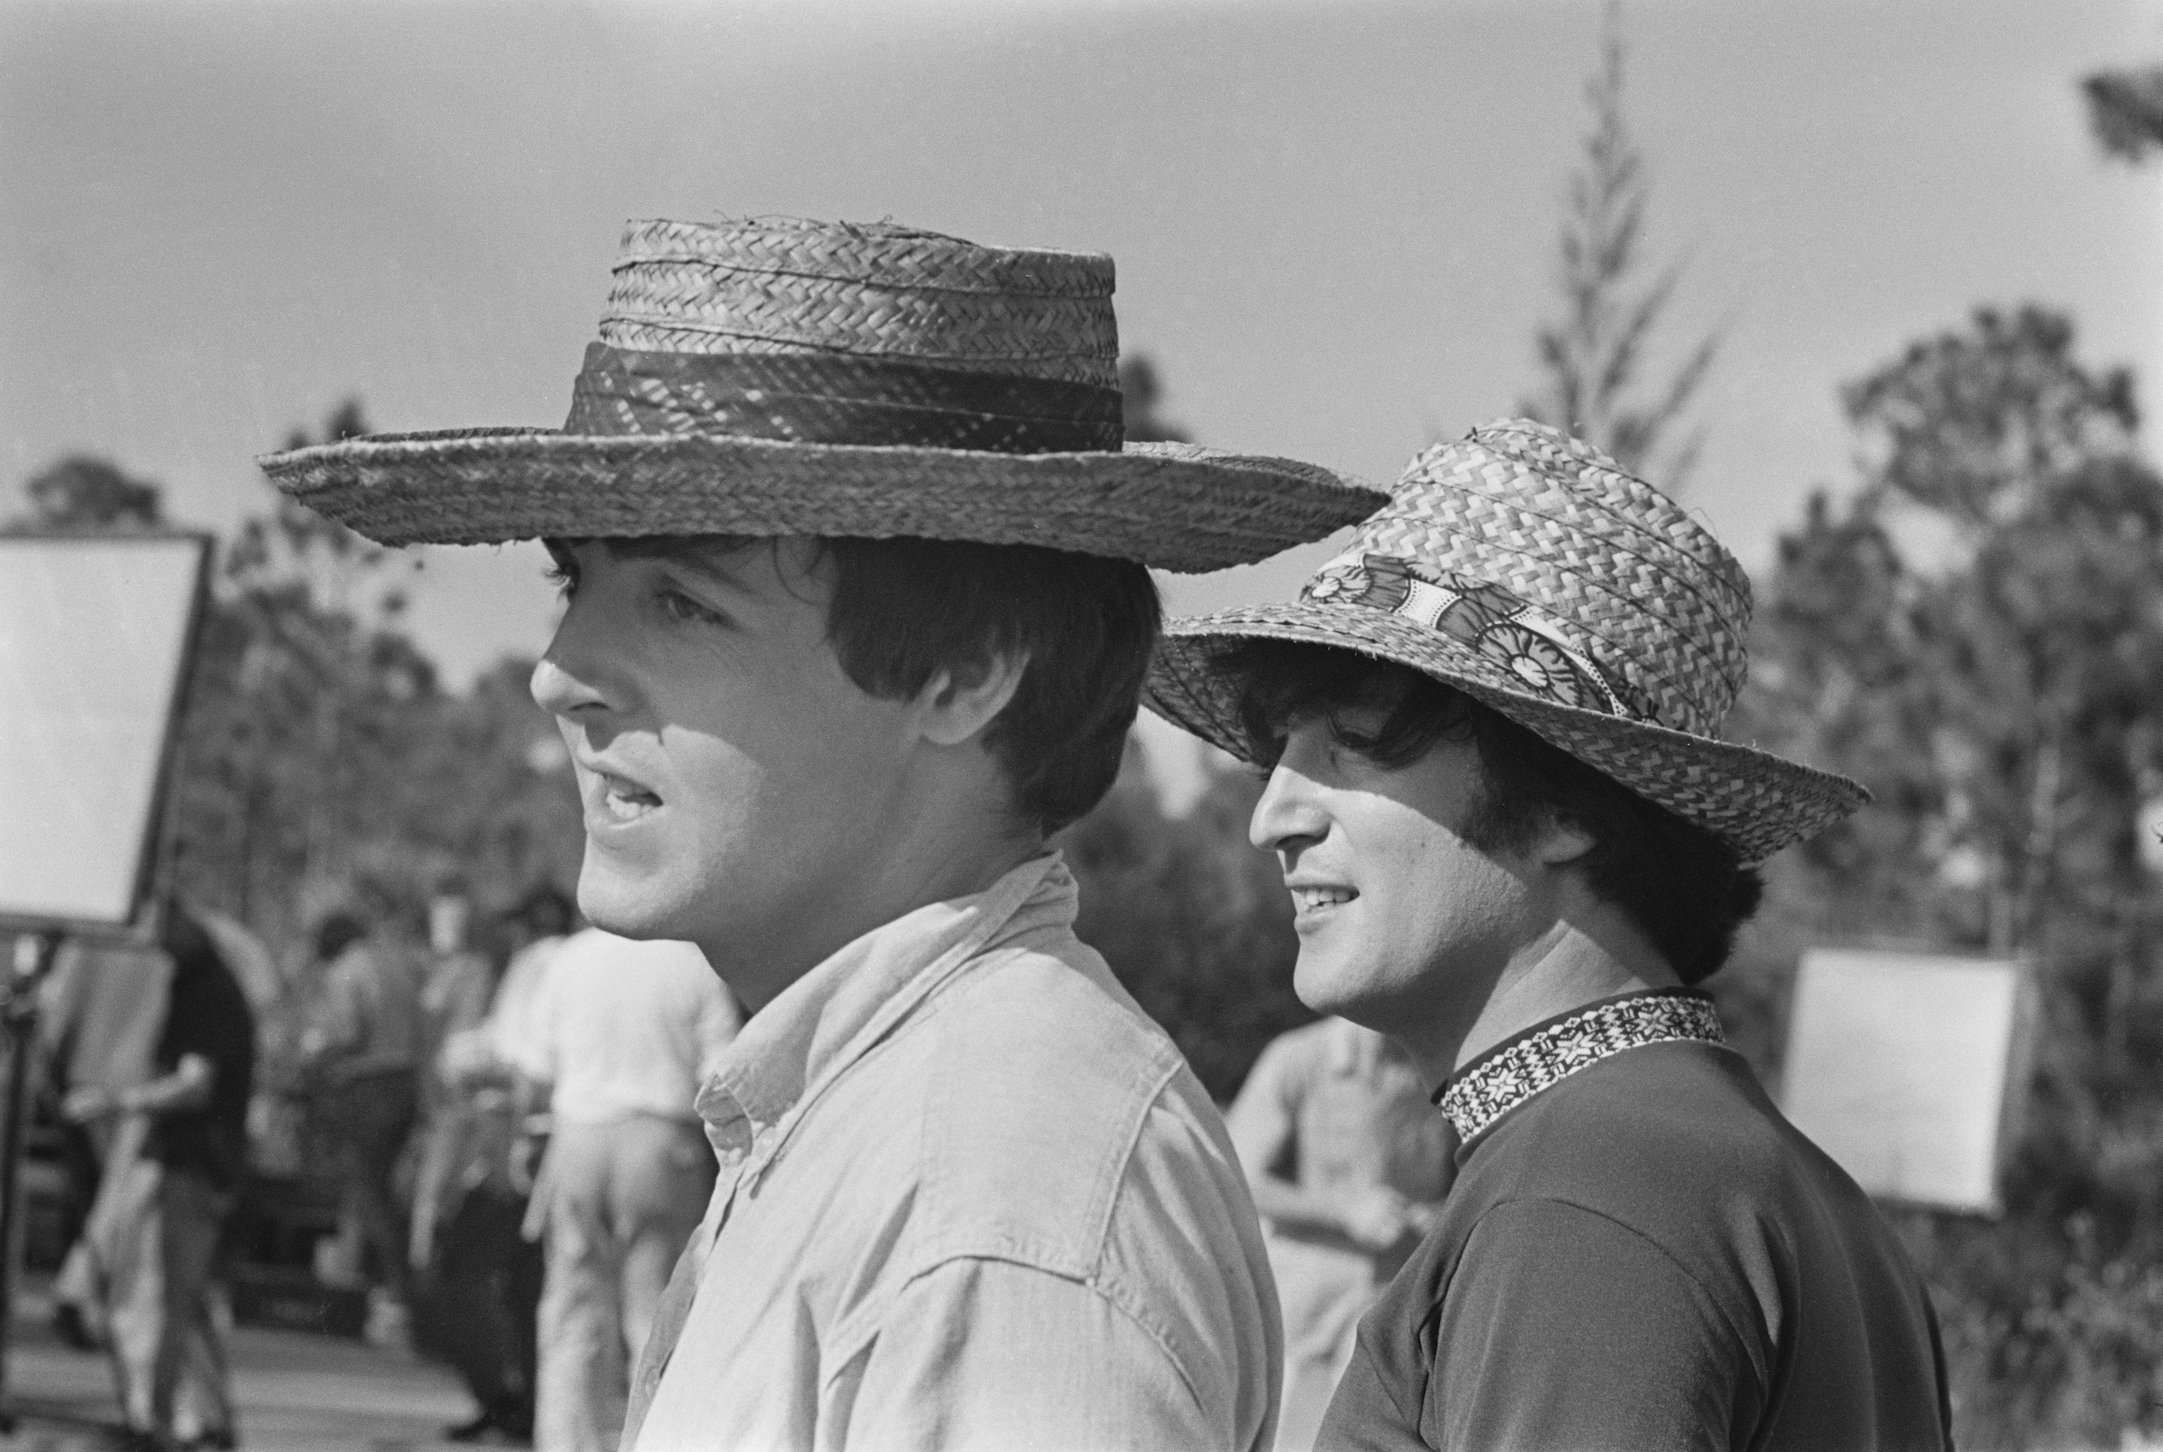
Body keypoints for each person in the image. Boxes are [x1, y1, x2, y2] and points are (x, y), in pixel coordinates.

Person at [260, 215, 1374, 1450]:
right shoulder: (882, 1113)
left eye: (682, 601)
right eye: (573, 584)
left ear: (965, 674)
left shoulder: (994, 1205)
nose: (559, 673)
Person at [1146, 418, 1954, 1449]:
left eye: (1354, 745)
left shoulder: (1586, 1197)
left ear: (1568, 805)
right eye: (1277, 758)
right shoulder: (1773, 1191)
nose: (1277, 817)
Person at [496, 928, 734, 1452]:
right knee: (656, 1312)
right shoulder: (694, 960)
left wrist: (523, 1142)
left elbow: (534, 1069)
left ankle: (566, 1443)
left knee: (572, 1310)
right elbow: (720, 1070)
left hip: (578, 1139)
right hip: (661, 1144)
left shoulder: (568, 958)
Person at [64, 904, 256, 1452]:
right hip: (184, 1160)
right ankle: (205, 1420)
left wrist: (115, 1103)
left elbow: (195, 1085)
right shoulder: (194, 981)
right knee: (181, 1299)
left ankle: (159, 1421)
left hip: (192, 1164)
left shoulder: (208, 988)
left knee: (157, 1296)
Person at [1225, 1018, 1453, 1452]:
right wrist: (1344, 1209)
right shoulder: (1296, 1057)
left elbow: (1469, 1175)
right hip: (1306, 1317)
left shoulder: (1438, 1064)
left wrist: (1438, 1214)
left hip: (1396, 1314)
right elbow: (1236, 1174)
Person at [409, 887, 573, 1445]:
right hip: (533, 1134)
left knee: (468, 1270)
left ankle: (512, 1400)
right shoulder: (564, 961)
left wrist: (470, 1060)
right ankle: (518, 1401)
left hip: (514, 1136)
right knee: (524, 1284)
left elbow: (526, 1057)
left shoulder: (540, 964)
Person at [296, 908, 423, 1308]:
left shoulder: (346, 971)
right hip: (405, 1084)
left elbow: (350, 1032)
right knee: (384, 1189)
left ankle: (394, 1290)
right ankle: (390, 1282)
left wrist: (315, 1057)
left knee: (365, 1188)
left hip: (370, 1088)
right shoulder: (396, 963)